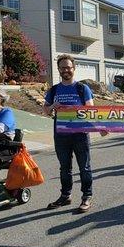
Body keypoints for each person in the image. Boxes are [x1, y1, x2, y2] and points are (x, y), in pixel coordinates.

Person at [44, 54, 98, 213]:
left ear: (73, 69)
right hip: (61, 134)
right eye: (63, 68)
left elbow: (91, 110)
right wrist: (54, 105)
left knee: (84, 167)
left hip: (80, 133)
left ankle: (87, 197)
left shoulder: (82, 88)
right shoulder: (54, 90)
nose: (66, 70)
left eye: (68, 67)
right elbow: (46, 110)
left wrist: (101, 126)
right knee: (64, 168)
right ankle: (65, 196)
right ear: (59, 70)